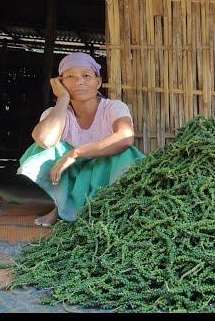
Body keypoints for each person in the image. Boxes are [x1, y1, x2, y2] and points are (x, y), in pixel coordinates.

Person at [17, 53, 145, 227]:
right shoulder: (56, 113)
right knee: (41, 150)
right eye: (70, 77)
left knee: (125, 153)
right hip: (73, 174)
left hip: (102, 171)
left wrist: (76, 153)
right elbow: (44, 141)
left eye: (86, 75)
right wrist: (62, 99)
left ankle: (107, 209)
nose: (79, 81)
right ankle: (60, 207)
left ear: (98, 82)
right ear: (61, 83)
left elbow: (126, 137)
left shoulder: (113, 108)